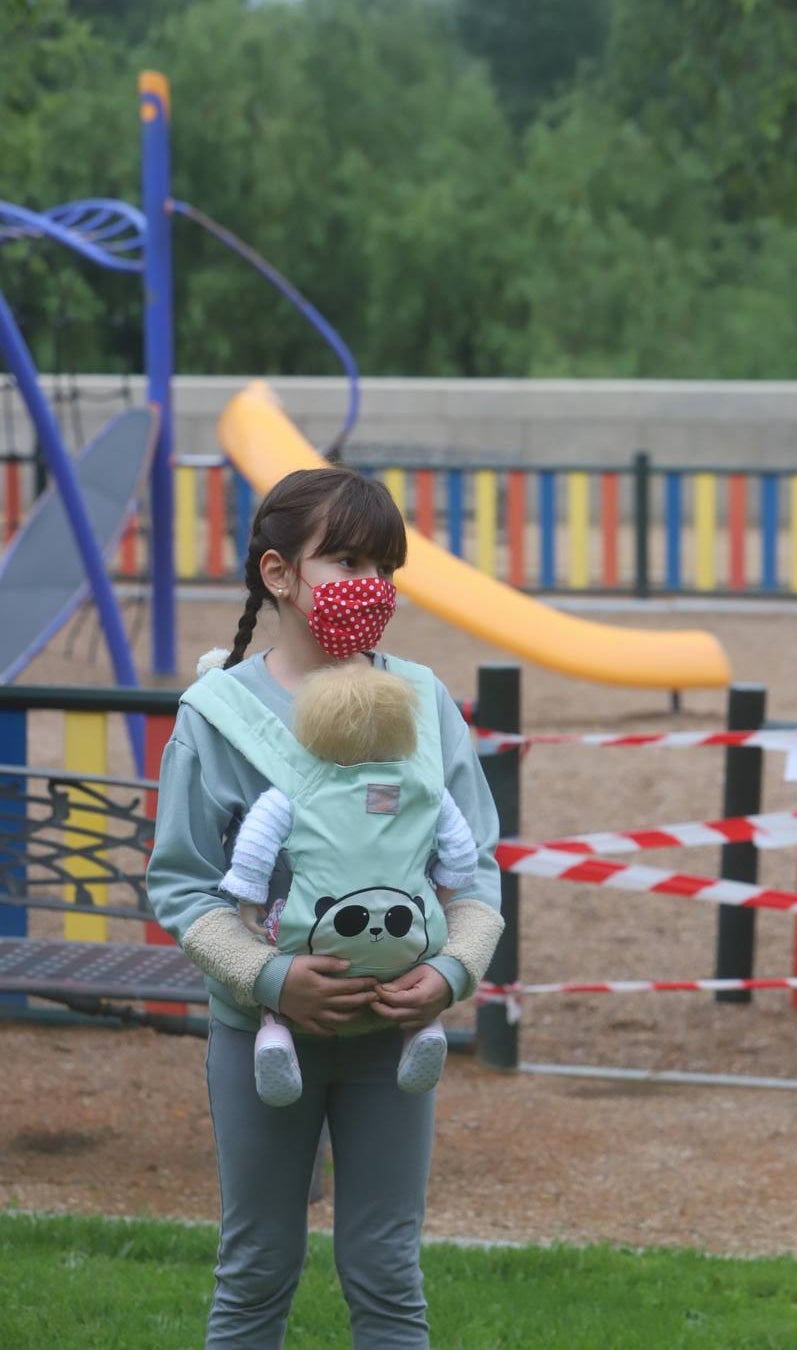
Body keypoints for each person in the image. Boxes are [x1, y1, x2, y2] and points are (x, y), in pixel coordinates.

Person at [146, 465, 504, 1350]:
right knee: (256, 1271)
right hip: (263, 1039)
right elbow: (183, 888)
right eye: (343, 560)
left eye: (384, 566)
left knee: (388, 1276)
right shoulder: (216, 715)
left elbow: (477, 874)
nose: (369, 587)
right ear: (278, 575)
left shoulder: (425, 702)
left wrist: (451, 973)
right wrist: (270, 980)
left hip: (394, 1042)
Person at [207, 657, 481, 1105]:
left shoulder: (298, 792)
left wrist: (249, 900)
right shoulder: (425, 790)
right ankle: (422, 1028)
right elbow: (463, 854)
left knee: (273, 945)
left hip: (314, 940)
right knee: (411, 965)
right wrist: (441, 895)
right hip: (408, 934)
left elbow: (254, 847)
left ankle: (274, 1031)